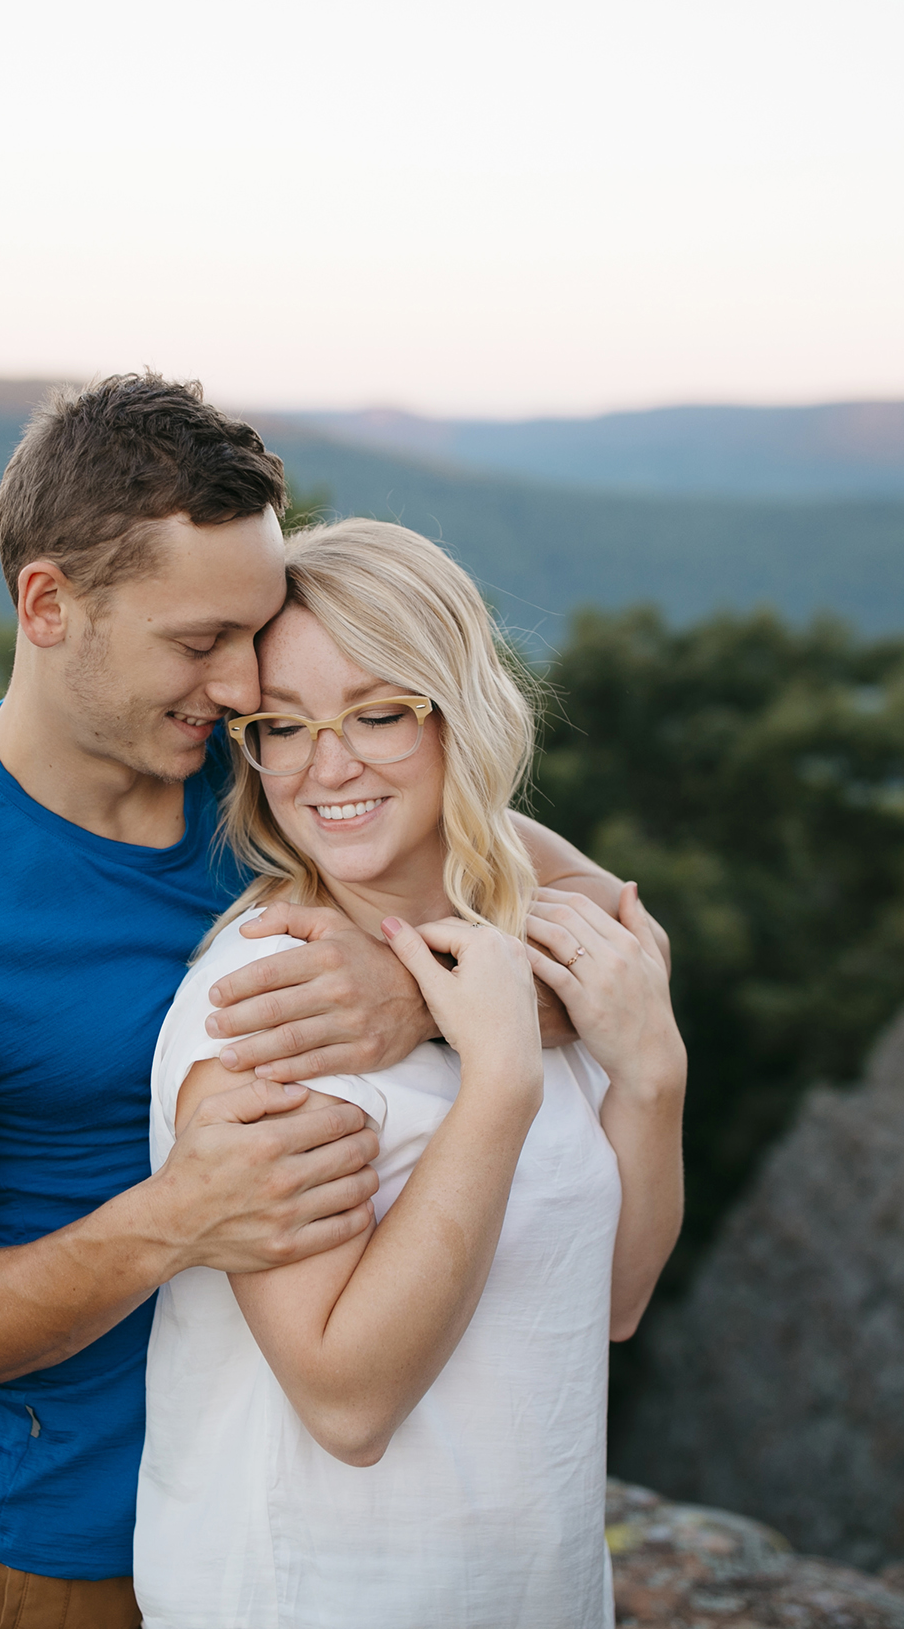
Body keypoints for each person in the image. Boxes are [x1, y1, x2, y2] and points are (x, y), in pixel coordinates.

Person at [0, 376, 629, 1627]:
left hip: (343, 1529)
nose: (243, 687)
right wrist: (173, 1220)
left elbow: (613, 934)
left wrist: (414, 996)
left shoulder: (280, 779)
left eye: (254, 632)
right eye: (197, 643)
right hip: (64, 1549)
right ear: (48, 603)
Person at [135, 519, 688, 1628]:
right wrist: (494, 1082)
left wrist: (652, 1075)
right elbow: (346, 1400)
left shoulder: (519, 941)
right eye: (280, 726)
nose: (323, 764)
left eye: (379, 711)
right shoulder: (269, 1006)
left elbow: (613, 1299)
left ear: (461, 714)